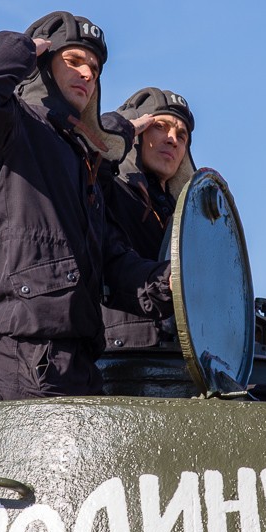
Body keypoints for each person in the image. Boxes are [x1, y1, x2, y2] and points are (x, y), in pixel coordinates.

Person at [0, 12, 173, 401]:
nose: (87, 74)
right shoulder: (16, 130)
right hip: (23, 344)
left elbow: (113, 265)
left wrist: (176, 281)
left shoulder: (83, 164)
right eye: (73, 60)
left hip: (78, 356)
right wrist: (25, 47)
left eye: (95, 68)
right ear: (42, 65)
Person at [100, 87, 196, 349]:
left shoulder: (185, 223)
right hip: (122, 352)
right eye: (160, 127)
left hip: (175, 356)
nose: (172, 139)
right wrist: (120, 128)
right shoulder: (107, 189)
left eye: (182, 136)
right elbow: (89, 151)